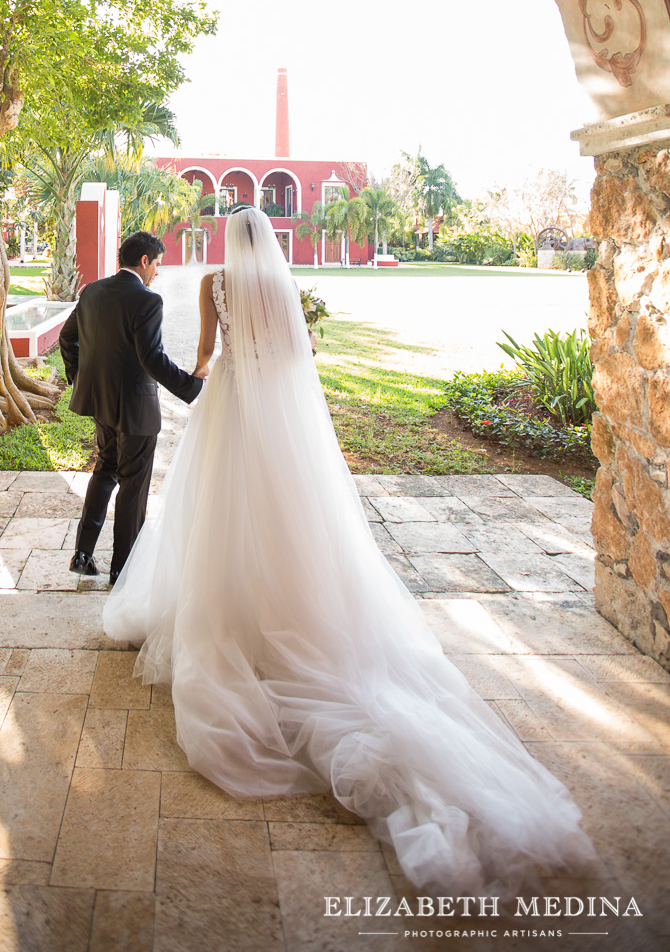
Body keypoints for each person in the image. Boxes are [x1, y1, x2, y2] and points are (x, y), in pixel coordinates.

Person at [102, 205, 596, 895]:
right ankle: (291, 609)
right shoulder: (281, 286)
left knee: (215, 509)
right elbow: (295, 355)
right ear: (269, 243)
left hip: (230, 407)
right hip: (275, 406)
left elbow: (208, 357)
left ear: (227, 242)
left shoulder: (214, 280)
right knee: (287, 513)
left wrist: (205, 381)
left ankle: (227, 614)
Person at [59, 230, 204, 583]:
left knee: (105, 471)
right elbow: (151, 358)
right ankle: (122, 568)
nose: (157, 271)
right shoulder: (148, 301)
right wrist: (192, 383)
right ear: (143, 261)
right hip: (136, 410)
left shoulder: (91, 291)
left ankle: (82, 553)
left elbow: (67, 338)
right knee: (133, 485)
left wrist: (81, 379)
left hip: (100, 403)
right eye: (157, 264)